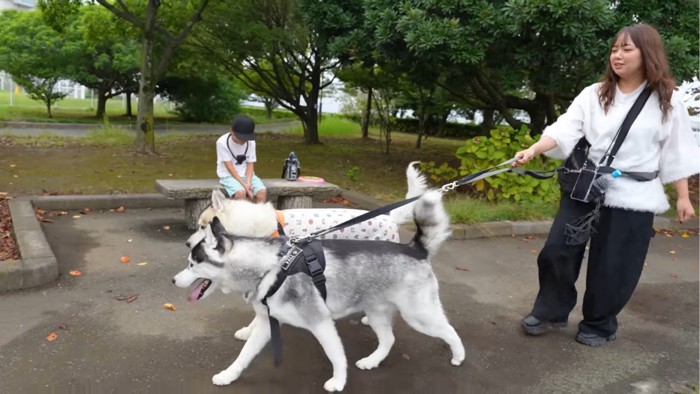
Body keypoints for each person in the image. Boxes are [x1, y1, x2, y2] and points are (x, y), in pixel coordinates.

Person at [512, 24, 699, 347]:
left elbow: (677, 150)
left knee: (615, 265)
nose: (618, 55)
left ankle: (599, 324)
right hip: (588, 185)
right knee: (557, 251)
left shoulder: (667, 101)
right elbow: (565, 128)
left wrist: (683, 196)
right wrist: (534, 149)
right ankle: (551, 311)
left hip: (634, 196)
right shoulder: (594, 93)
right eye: (614, 49)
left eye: (627, 49)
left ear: (647, 53)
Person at [216, 115, 267, 203]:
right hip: (228, 175)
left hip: (247, 174)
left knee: (262, 192)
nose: (243, 140)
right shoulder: (222, 142)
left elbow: (250, 164)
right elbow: (229, 166)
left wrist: (248, 183)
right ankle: (237, 216)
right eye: (240, 137)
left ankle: (258, 214)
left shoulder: (251, 142)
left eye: (246, 138)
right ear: (231, 131)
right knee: (241, 193)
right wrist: (244, 185)